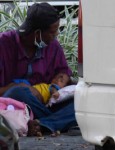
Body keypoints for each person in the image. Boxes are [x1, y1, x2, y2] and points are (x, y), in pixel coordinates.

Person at [0, 2, 77, 136]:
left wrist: (57, 86)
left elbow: (63, 72)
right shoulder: (4, 44)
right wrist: (18, 88)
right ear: (37, 33)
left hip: (45, 105)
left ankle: (42, 124)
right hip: (13, 106)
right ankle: (56, 121)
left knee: (81, 102)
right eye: (53, 32)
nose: (56, 35)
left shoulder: (53, 46)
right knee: (18, 92)